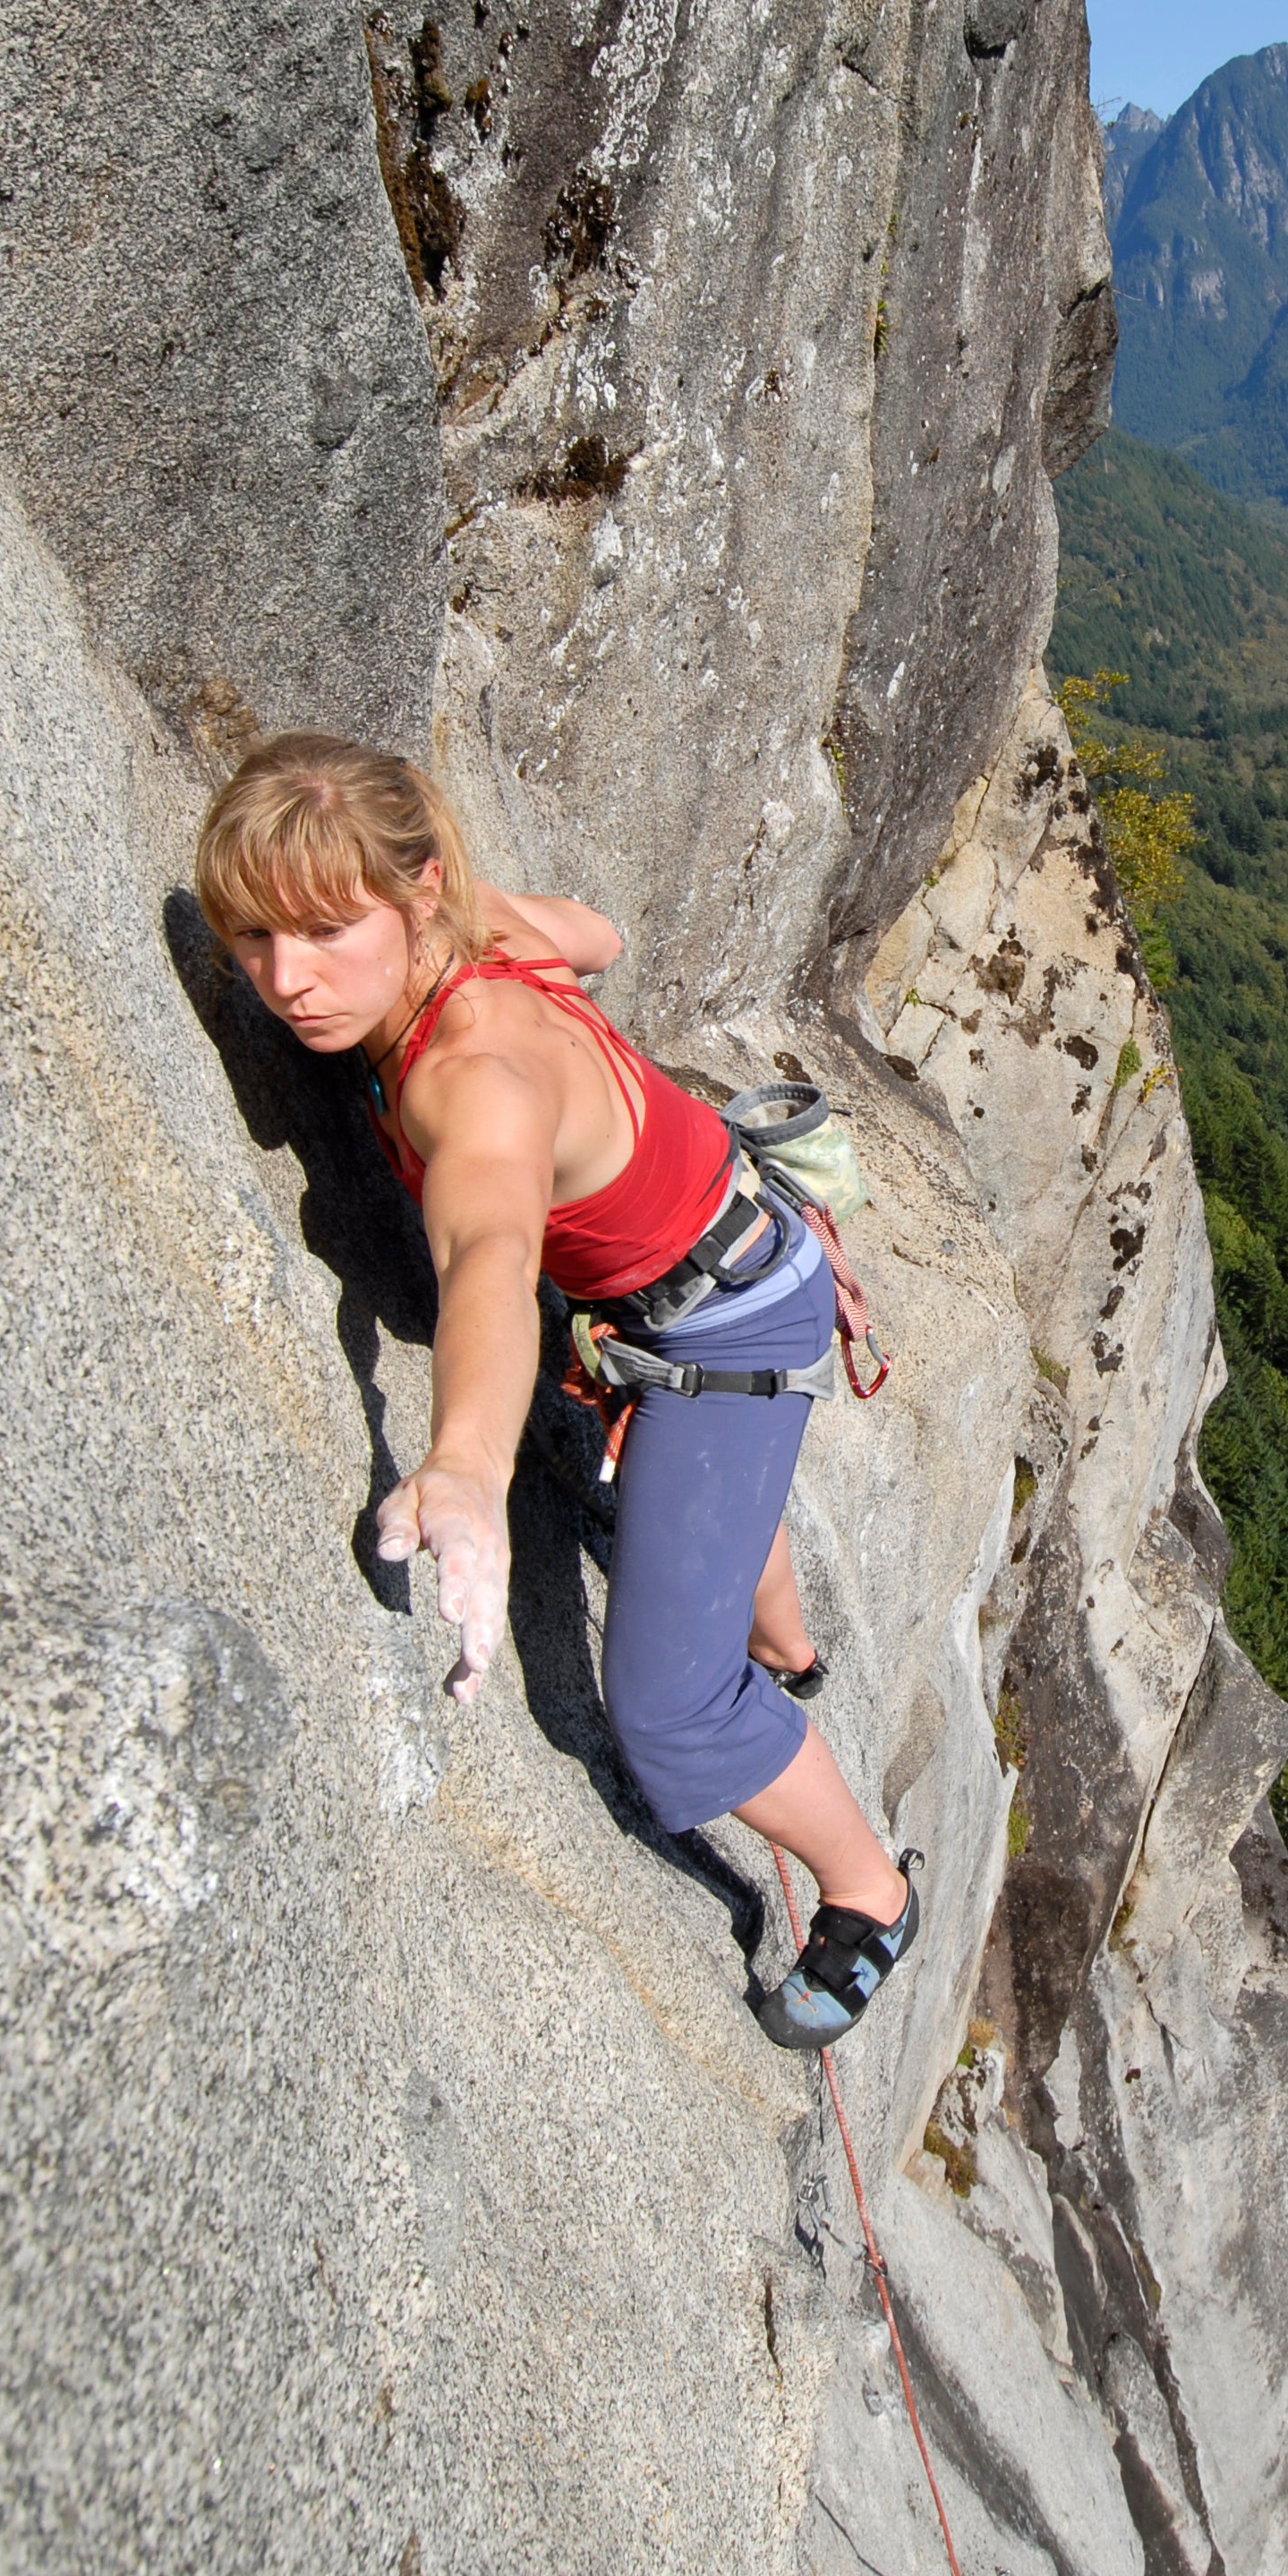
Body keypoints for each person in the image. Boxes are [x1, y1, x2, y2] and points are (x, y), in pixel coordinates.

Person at [194, 731, 918, 2050]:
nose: (286, 983)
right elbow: (601, 935)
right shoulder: (477, 930)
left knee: (666, 1707)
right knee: (688, 1505)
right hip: (729, 1240)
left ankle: (869, 1891)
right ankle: (791, 1654)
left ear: (414, 901)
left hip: (720, 1322)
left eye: (322, 933)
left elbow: (487, 1252)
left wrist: (464, 1464)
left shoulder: (468, 1077)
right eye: (251, 939)